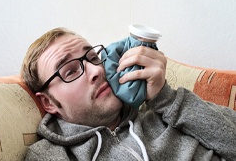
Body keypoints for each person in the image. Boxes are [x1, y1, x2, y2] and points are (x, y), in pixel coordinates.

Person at [21, 27, 236, 161]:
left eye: (93, 58)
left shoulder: (168, 109)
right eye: (70, 70)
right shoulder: (50, 155)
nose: (97, 70)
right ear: (48, 102)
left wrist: (167, 99)